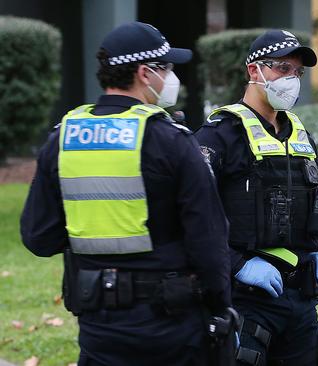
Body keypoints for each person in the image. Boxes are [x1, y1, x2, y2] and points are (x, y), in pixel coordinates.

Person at [20, 22, 232, 366]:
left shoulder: (62, 138)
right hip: (171, 327)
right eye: (167, 68)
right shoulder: (171, 140)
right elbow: (208, 239)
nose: (172, 77)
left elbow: (38, 237)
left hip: (99, 329)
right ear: (146, 74)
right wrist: (222, 305)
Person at [194, 29, 318, 366]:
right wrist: (237, 265)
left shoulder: (300, 135)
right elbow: (194, 216)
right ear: (254, 71)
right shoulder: (220, 135)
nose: (292, 79)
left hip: (300, 300)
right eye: (282, 69)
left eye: (297, 72)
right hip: (244, 300)